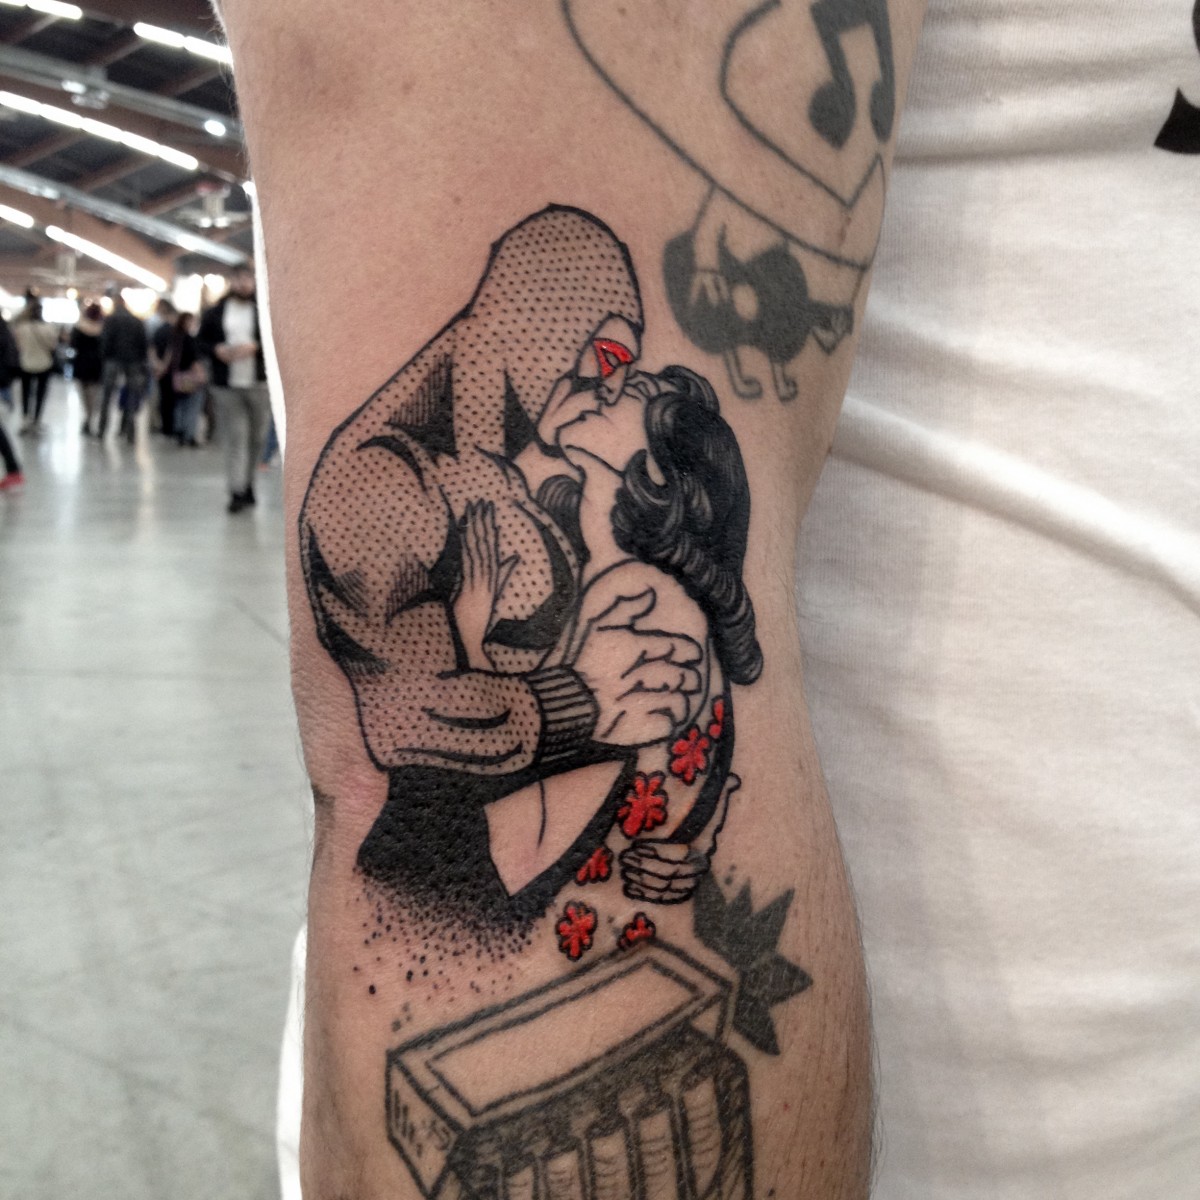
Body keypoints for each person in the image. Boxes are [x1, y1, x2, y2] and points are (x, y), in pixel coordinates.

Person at [224, 3, 929, 1198]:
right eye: (602, 358)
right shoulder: (385, 490)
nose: (613, 382)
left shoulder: (525, 471)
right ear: (525, 315)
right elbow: (390, 736)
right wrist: (579, 704)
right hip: (470, 960)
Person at [198, 267, 269, 512]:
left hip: (258, 384)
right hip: (227, 386)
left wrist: (256, 347)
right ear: (232, 282)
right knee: (236, 437)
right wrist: (216, 350)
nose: (244, 284)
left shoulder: (263, 311)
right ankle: (236, 489)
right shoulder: (215, 313)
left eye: (248, 279)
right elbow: (201, 342)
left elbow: (277, 339)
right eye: (239, 279)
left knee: (257, 438)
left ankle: (249, 484)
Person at [97, 293, 148, 442]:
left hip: (113, 359)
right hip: (133, 361)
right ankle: (130, 431)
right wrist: (141, 361)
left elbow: (105, 340)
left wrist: (104, 357)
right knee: (132, 396)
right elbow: (143, 343)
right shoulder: (137, 321)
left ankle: (102, 429)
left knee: (107, 395)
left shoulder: (110, 320)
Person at [14, 300, 59, 434]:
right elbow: (53, 346)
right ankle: (36, 420)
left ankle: (25, 418)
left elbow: (18, 346)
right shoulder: (49, 329)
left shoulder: (22, 328)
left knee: (25, 393)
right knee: (40, 394)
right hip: (44, 364)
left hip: (26, 363)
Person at [166, 312, 205, 447]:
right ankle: (189, 434)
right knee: (192, 406)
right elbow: (193, 359)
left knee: (180, 405)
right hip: (189, 375)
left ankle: (180, 431)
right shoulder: (189, 339)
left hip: (177, 375)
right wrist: (200, 374)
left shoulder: (175, 337)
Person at [71, 302, 104, 437]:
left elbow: (73, 345)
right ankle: (89, 417)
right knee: (93, 395)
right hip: (96, 364)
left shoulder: (79, 328)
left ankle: (88, 417)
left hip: (81, 363)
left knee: (84, 394)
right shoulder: (103, 329)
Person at [149, 298, 178, 437]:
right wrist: (164, 366)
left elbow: (152, 349)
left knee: (161, 398)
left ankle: (160, 424)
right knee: (169, 399)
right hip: (168, 370)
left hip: (160, 369)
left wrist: (157, 365)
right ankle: (168, 426)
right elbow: (170, 350)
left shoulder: (158, 329)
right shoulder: (172, 331)